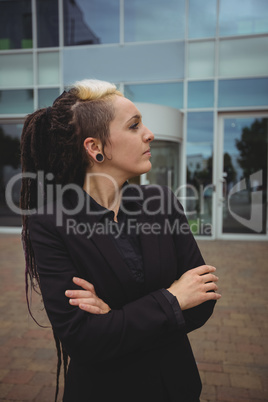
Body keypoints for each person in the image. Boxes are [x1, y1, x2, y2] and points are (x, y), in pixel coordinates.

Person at [20, 79, 221, 402]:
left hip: (177, 388)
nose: (149, 134)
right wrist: (172, 299)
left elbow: (204, 299)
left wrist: (116, 319)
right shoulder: (51, 224)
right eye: (134, 126)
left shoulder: (162, 201)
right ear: (95, 147)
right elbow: (83, 339)